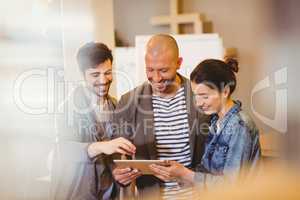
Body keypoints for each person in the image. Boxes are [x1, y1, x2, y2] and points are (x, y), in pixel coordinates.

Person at [111, 34, 209, 198]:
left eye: (163, 70)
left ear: (179, 63)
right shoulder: (129, 102)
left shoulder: (200, 96)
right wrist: (119, 175)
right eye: (150, 70)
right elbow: (117, 158)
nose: (156, 78)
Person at [149, 58, 261, 188]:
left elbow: (231, 187)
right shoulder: (215, 122)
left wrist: (185, 174)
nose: (199, 103)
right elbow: (209, 174)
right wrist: (178, 174)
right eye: (196, 96)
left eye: (205, 96)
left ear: (225, 91)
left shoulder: (239, 126)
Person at [50, 42, 135, 200]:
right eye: (95, 75)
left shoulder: (117, 106)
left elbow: (113, 161)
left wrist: (119, 174)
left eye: (108, 73)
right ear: (83, 75)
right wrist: (101, 146)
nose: (103, 80)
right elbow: (64, 151)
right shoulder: (67, 108)